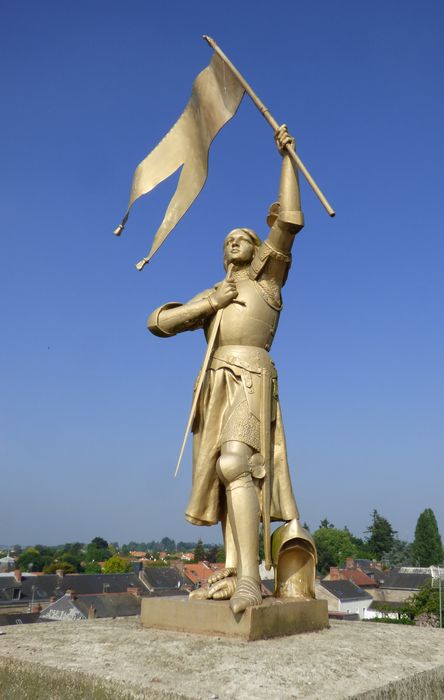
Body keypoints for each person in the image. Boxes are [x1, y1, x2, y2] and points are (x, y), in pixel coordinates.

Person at [147, 125, 304, 613]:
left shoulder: (268, 281)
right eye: (229, 239)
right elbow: (159, 322)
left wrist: (287, 160)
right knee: (222, 474)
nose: (235, 241)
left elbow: (292, 220)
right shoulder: (217, 294)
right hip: (213, 383)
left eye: (244, 237)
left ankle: (252, 580)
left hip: (251, 376)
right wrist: (209, 303)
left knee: (238, 463)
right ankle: (235, 567)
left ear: (257, 249)